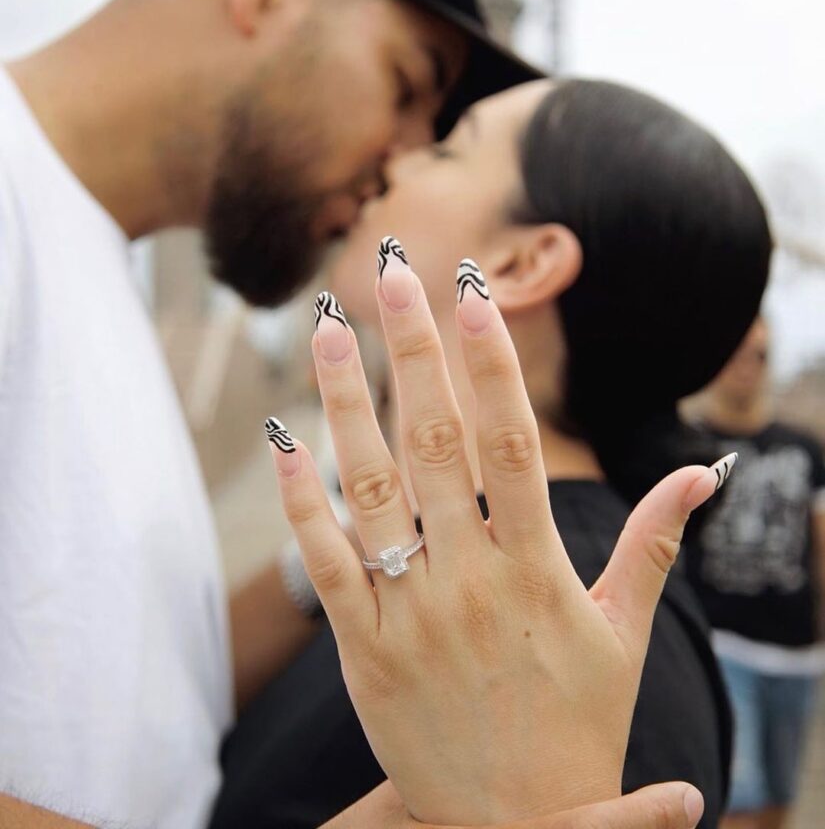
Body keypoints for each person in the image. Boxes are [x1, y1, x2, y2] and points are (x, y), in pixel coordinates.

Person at [0, 0, 548, 828]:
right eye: (409, 82)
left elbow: (136, 681)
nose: (402, 163)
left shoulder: (88, 258)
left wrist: (366, 551)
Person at [210, 78, 773, 829]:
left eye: (445, 150)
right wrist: (341, 559)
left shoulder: (586, 628)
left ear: (519, 263)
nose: (395, 161)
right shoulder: (441, 572)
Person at [682, 316, 825, 829]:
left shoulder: (804, 447)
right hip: (721, 644)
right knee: (740, 795)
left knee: (777, 800)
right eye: (738, 352)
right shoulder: (685, 445)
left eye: (760, 354)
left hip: (795, 652)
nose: (748, 366)